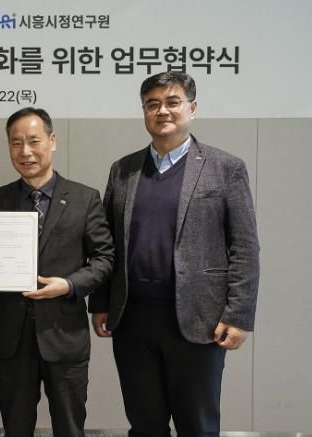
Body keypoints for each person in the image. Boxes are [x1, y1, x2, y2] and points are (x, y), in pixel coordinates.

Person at [89, 71, 260, 436]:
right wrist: (101, 302)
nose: (162, 111)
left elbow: (245, 245)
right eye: (152, 104)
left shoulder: (225, 168)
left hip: (199, 321)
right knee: (144, 424)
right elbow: (107, 244)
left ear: (192, 108)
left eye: (172, 102)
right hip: (133, 320)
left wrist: (239, 314)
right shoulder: (123, 170)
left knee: (197, 425)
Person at [0, 107, 114, 437]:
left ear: (52, 141)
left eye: (34, 141)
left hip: (64, 334)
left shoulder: (84, 198)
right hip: (12, 336)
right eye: (16, 143)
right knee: (15, 427)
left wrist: (69, 285)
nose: (25, 151)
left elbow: (104, 259)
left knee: (70, 428)